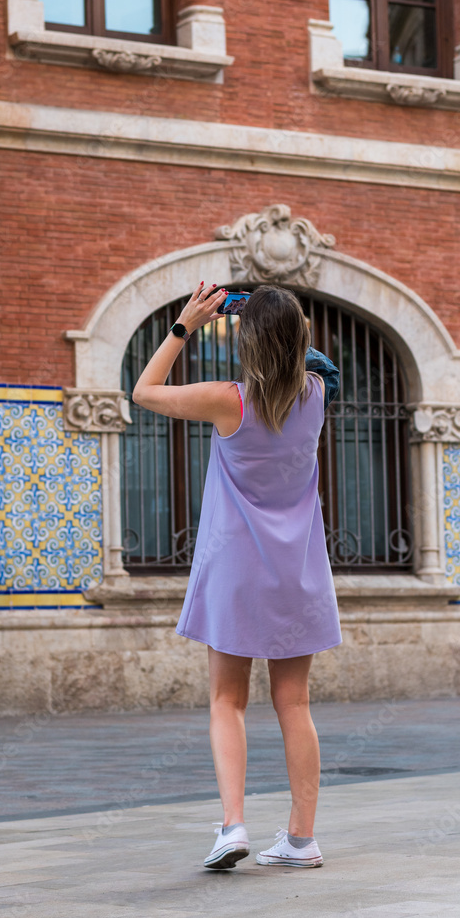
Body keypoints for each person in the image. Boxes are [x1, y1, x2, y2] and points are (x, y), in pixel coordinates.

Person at [132, 281, 342, 870]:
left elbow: (144, 390)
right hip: (298, 572)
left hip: (236, 571)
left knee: (227, 700)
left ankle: (232, 826)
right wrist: (271, 314)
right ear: (298, 338)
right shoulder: (318, 393)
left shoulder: (229, 399)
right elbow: (314, 359)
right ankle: (301, 839)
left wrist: (186, 325)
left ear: (245, 340)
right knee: (294, 703)